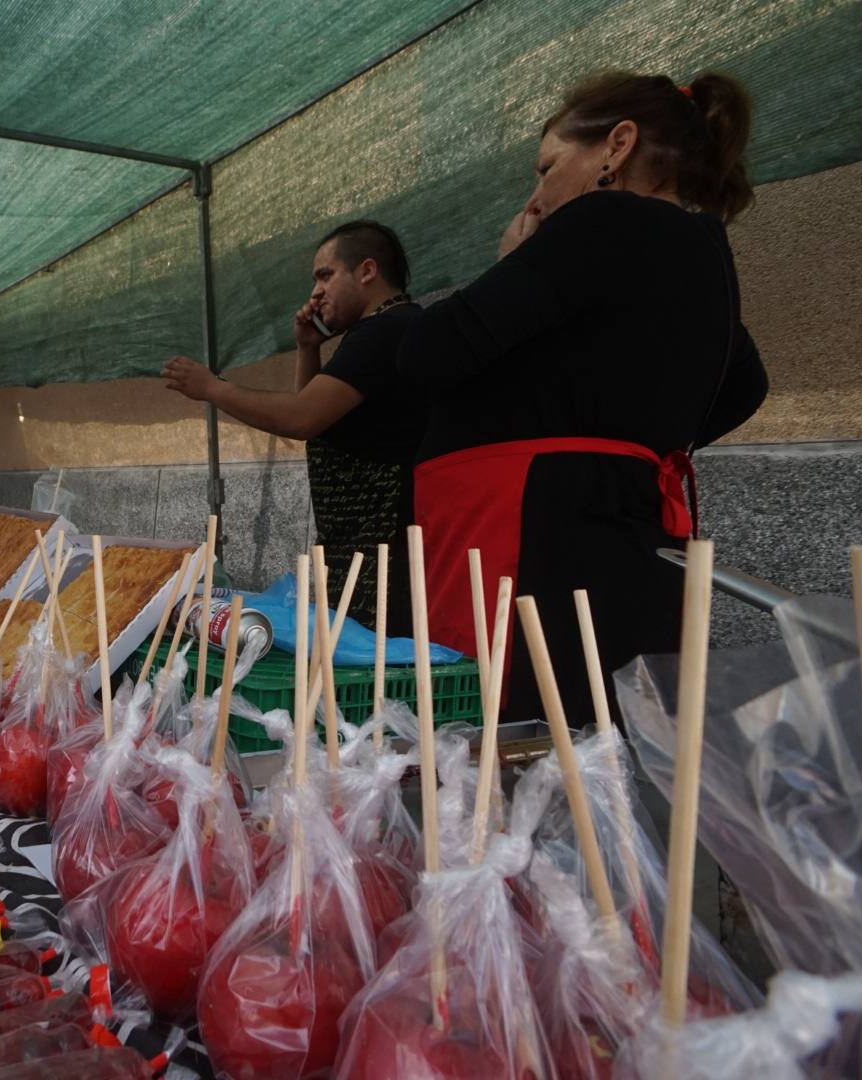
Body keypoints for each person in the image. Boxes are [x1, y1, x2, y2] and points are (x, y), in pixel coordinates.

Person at [397, 70, 769, 721]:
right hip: (627, 538)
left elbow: (428, 353)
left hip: (530, 539)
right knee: (597, 758)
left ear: (617, 146)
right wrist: (632, 442)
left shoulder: (605, 218)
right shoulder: (706, 252)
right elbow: (743, 384)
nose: (537, 195)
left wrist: (514, 261)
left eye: (547, 167)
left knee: (498, 750)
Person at [162, 221, 423, 630]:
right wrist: (308, 347)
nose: (315, 291)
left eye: (326, 274)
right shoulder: (381, 331)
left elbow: (301, 417)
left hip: (383, 555)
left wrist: (213, 388)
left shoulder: (385, 331)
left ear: (367, 271)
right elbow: (317, 422)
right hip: (359, 551)